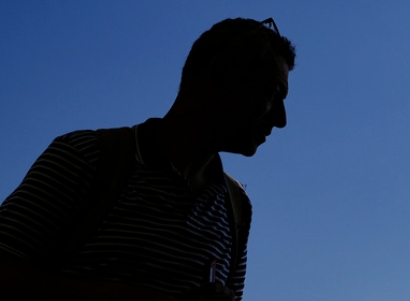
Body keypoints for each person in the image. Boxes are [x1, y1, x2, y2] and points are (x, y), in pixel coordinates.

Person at [0, 18, 296, 301]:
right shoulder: (86, 156)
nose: (281, 119)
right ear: (221, 73)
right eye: (272, 92)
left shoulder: (236, 208)